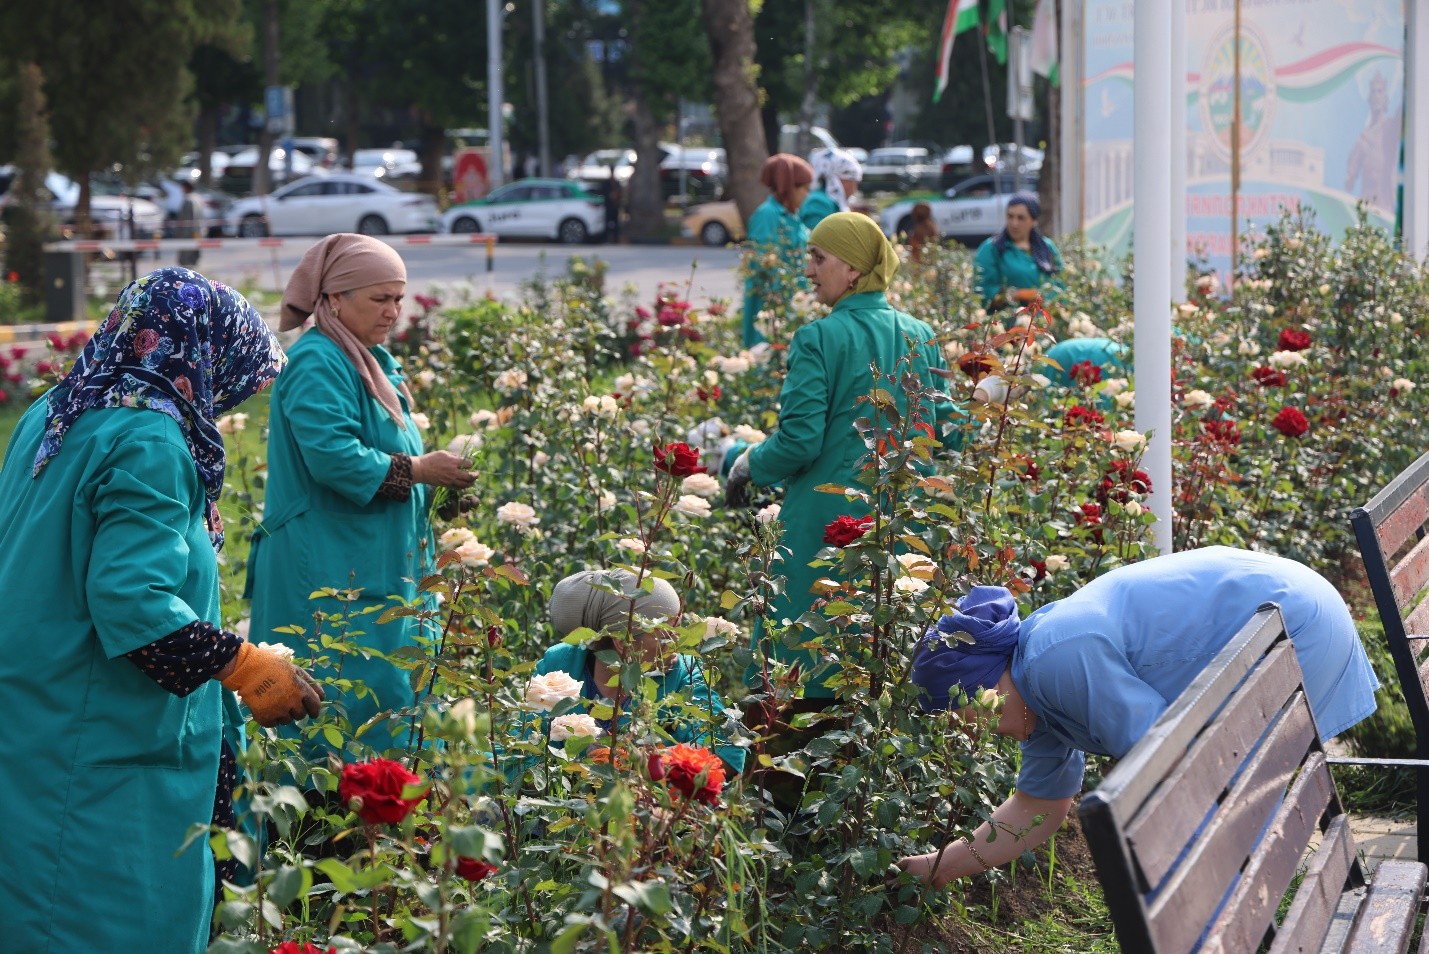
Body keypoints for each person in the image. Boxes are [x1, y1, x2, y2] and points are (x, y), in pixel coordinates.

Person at [0, 266, 324, 952]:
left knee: (31, 903)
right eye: (233, 380)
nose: (231, 401)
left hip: (37, 703)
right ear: (199, 355)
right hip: (101, 730)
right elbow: (130, 597)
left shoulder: (59, 410)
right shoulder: (148, 440)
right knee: (102, 919)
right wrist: (244, 667)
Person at [896, 546, 1380, 888]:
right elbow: (1039, 805)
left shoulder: (1053, 660)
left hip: (1295, 622)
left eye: (961, 714)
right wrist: (945, 863)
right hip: (1282, 614)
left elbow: (1164, 758)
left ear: (985, 685)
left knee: (1200, 826)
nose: (969, 730)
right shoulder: (1033, 692)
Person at [248, 234, 476, 756]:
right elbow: (331, 456)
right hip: (329, 563)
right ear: (332, 299)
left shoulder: (369, 361)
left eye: (399, 298)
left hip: (371, 557)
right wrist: (419, 469)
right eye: (380, 298)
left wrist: (442, 489)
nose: (394, 311)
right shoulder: (318, 362)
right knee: (334, 700)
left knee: (387, 697)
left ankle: (376, 818)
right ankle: (317, 829)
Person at [727, 212, 960, 704]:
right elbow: (951, 433)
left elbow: (799, 442)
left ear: (853, 269)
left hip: (825, 527)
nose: (809, 271)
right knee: (885, 658)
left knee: (801, 674)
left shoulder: (819, 338)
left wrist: (748, 464)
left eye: (818, 258)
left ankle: (796, 772)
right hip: (901, 521)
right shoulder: (921, 335)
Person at [535, 569, 745, 772]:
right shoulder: (558, 667)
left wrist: (632, 761)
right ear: (622, 642)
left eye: (678, 625)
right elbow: (519, 750)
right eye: (666, 634)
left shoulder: (684, 672)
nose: (678, 640)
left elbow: (729, 749)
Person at [741, 153, 813, 346]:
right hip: (772, 307)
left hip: (794, 305)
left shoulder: (792, 215)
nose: (807, 195)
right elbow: (764, 267)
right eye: (805, 189)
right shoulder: (767, 215)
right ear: (790, 187)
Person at [973, 192, 1062, 310]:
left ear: (1034, 221)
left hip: (1045, 321)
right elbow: (983, 291)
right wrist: (1017, 294)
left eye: (1021, 218)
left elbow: (1061, 284)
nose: (1014, 223)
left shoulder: (1047, 247)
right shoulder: (992, 249)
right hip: (1008, 323)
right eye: (1010, 216)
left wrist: (1051, 301)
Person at [800, 148, 864, 230]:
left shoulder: (832, 202)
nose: (855, 188)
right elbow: (819, 239)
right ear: (839, 180)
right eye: (853, 181)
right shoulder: (818, 203)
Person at [177, 180, 204, 268]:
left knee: (186, 261)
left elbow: (187, 220)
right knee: (194, 258)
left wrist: (182, 235)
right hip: (198, 232)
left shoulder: (188, 200)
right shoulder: (198, 198)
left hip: (188, 234)